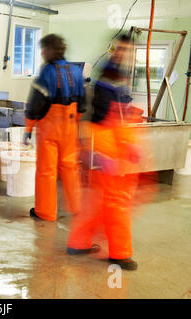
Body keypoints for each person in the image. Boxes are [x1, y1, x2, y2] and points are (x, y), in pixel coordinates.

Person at [67, 34, 141, 270]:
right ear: (114, 50)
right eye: (120, 49)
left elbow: (120, 115)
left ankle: (78, 242)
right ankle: (119, 253)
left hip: (110, 143)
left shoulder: (116, 76)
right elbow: (103, 118)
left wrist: (129, 144)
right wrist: (102, 154)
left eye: (127, 50)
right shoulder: (108, 77)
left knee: (98, 201)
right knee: (116, 202)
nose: (123, 54)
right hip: (106, 144)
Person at [24, 34, 86, 221]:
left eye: (43, 49)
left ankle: (46, 212)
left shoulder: (46, 73)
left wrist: (28, 128)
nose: (42, 52)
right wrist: (75, 123)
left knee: (46, 171)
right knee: (70, 168)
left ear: (51, 50)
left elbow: (35, 106)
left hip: (49, 129)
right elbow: (82, 104)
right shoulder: (76, 72)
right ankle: (77, 208)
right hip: (70, 127)